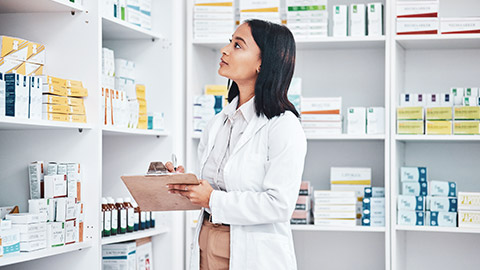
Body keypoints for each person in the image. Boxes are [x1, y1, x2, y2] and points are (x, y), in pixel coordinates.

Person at [167, 19, 307, 270]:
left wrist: (213, 200)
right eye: (229, 41)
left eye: (238, 45)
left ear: (262, 63)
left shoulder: (283, 125)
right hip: (205, 240)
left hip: (250, 251)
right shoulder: (218, 123)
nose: (225, 49)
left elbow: (279, 205)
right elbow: (212, 188)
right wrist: (186, 184)